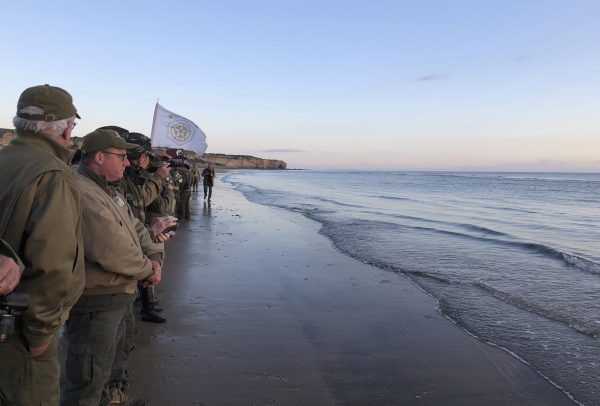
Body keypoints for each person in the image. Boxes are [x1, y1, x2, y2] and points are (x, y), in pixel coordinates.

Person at [62, 129, 164, 406]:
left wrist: (153, 256)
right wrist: (149, 269)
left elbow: (137, 228)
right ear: (99, 157)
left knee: (108, 370)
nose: (127, 162)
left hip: (118, 294)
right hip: (96, 300)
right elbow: (111, 250)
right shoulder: (84, 191)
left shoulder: (107, 190)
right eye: (121, 157)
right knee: (87, 383)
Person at [0, 85, 85, 405]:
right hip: (21, 330)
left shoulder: (5, 158)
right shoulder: (52, 174)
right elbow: (52, 265)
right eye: (72, 126)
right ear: (64, 129)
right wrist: (39, 334)